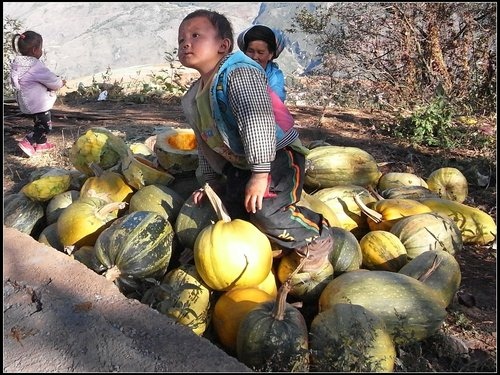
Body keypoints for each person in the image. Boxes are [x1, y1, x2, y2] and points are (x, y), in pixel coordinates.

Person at [177, 9, 333, 272]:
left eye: (195, 35)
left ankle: (317, 234)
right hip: (241, 165)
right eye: (181, 40)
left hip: (276, 158)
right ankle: (266, 252)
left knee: (266, 212)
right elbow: (205, 143)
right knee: (235, 212)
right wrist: (210, 183)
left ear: (223, 45)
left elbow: (258, 124)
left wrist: (260, 175)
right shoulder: (193, 97)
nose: (186, 43)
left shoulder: (239, 74)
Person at [10, 30, 66, 157]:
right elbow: (52, 81)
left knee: (38, 122)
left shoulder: (18, 65)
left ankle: (41, 144)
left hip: (26, 101)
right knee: (45, 126)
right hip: (37, 103)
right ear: (35, 50)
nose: (41, 51)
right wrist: (60, 82)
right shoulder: (35, 66)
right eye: (41, 48)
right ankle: (28, 141)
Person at [237, 24, 287, 102]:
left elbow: (275, 104)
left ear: (270, 55)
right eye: (250, 51)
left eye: (260, 52)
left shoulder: (275, 79)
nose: (254, 57)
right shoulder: (235, 71)